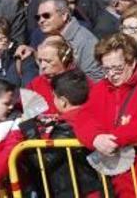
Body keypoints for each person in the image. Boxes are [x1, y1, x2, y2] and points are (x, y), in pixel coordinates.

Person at [73, 33, 137, 198]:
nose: (112, 74)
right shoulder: (101, 88)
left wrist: (115, 139)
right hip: (114, 177)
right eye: (106, 69)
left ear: (132, 62)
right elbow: (83, 118)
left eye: (117, 68)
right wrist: (95, 138)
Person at [19, 70, 102, 198]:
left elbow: (42, 161)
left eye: (54, 97)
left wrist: (28, 126)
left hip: (77, 190)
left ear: (63, 101)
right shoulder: (92, 117)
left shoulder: (68, 127)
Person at [36, 0, 102, 80]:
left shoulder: (85, 41)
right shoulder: (49, 37)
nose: (41, 20)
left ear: (64, 15)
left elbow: (96, 78)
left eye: (46, 16)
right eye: (38, 17)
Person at [26, 36, 76, 115]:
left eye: (48, 61)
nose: (42, 66)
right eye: (40, 61)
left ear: (64, 60)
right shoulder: (35, 85)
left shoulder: (81, 84)